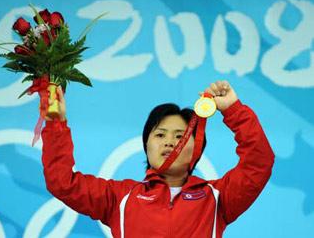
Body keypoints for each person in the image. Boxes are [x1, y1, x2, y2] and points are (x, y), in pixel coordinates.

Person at [41, 80, 274, 238]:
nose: (169, 142)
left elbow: (259, 162)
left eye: (180, 136)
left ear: (197, 147)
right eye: (160, 134)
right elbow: (62, 182)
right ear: (146, 145)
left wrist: (233, 110)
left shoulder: (218, 199)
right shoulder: (119, 198)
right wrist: (55, 123)